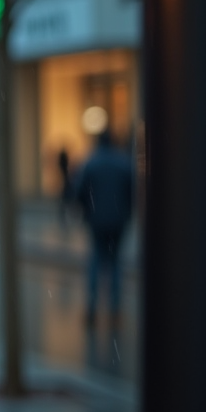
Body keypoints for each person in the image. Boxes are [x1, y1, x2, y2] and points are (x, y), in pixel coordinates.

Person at [75, 130, 134, 327]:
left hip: (96, 220)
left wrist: (85, 211)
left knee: (96, 261)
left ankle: (92, 309)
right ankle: (115, 311)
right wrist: (127, 214)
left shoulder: (90, 162)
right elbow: (132, 191)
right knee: (115, 262)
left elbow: (80, 190)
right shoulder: (124, 162)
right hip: (118, 221)